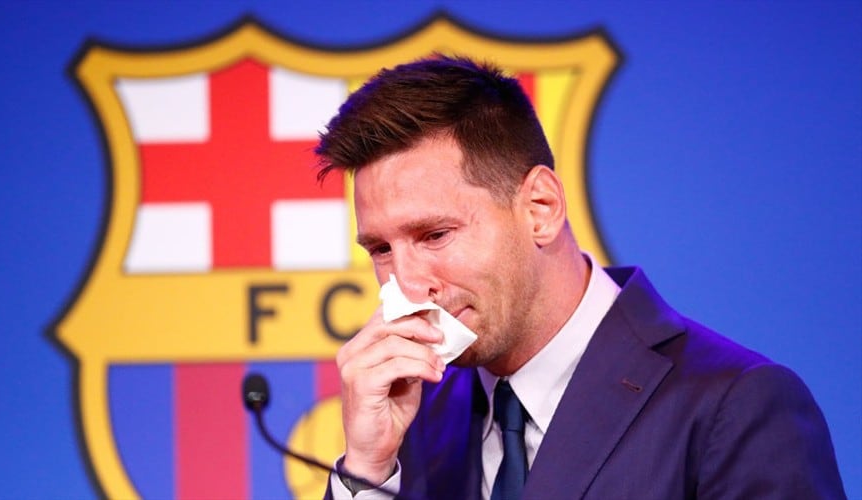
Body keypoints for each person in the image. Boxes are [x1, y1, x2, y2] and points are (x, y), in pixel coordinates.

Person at [314, 55, 845, 499]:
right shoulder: (412, 415)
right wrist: (367, 472)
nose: (405, 284)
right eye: (381, 248)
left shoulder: (736, 406)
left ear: (540, 208)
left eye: (435, 235)